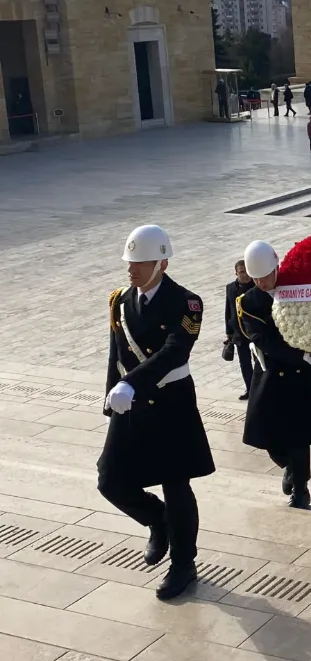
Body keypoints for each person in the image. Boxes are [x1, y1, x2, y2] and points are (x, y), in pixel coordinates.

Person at [99, 224, 214, 601]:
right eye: (129, 261)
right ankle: (158, 522)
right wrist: (110, 396)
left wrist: (131, 384)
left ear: (162, 263)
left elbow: (174, 352)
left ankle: (184, 563)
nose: (131, 268)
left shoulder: (187, 303)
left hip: (170, 403)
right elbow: (117, 352)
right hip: (129, 401)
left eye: (141, 261)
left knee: (176, 483)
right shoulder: (120, 299)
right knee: (110, 480)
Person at [237, 240, 311, 511]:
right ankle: (288, 465)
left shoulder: (296, 289)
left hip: (299, 376)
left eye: (265, 276)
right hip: (271, 375)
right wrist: (298, 355)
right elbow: (262, 338)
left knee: (299, 436)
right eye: (256, 278)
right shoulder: (249, 301)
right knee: (266, 436)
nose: (261, 282)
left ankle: (301, 490)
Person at [224, 259, 255, 399]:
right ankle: (250, 389)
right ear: (236, 273)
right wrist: (229, 332)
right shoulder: (230, 288)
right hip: (239, 333)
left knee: (260, 362)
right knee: (245, 363)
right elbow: (228, 310)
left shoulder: (256, 286)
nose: (245, 275)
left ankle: (261, 389)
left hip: (255, 332)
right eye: (241, 272)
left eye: (247, 271)